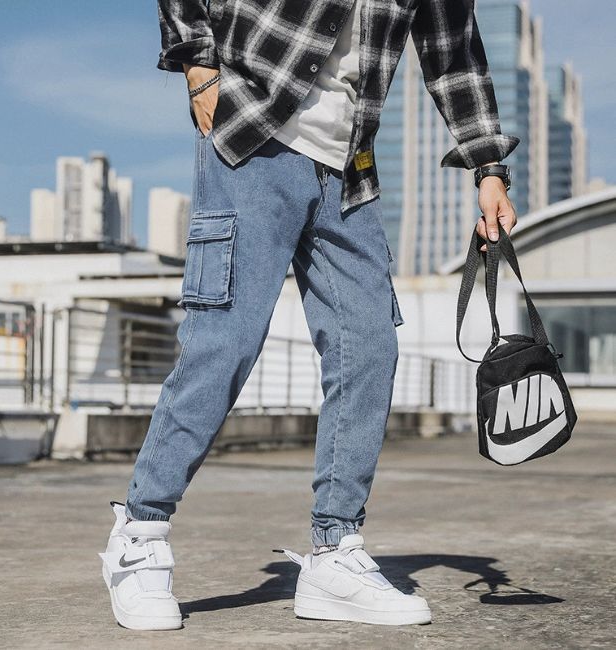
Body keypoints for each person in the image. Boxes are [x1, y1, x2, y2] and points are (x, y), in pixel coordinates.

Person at [100, 0, 519, 630]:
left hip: (349, 171)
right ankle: (140, 534)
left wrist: (488, 168)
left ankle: (334, 551)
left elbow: (453, 51)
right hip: (251, 140)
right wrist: (199, 66)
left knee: (369, 346)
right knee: (225, 342)